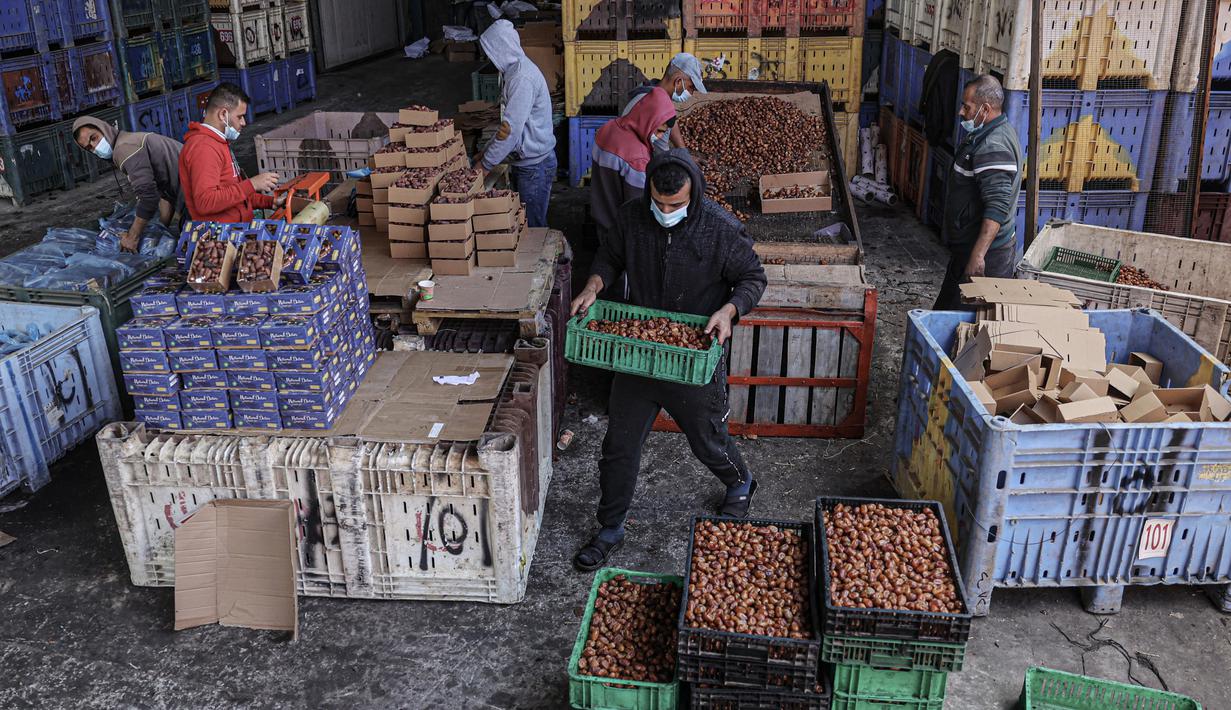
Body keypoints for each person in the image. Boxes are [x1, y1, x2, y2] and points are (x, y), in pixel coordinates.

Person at [569, 149, 768, 572]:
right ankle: (610, 527)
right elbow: (609, 257)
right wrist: (593, 284)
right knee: (619, 446)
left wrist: (729, 311)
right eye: (658, 203)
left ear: (693, 194)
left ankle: (739, 482)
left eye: (675, 205)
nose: (665, 212)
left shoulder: (720, 230)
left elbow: (752, 278)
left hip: (692, 355)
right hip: (640, 354)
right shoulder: (631, 218)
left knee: (707, 437)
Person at [934, 74, 1023, 310]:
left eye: (967, 106)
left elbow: (997, 206)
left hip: (987, 255)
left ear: (984, 109)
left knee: (964, 322)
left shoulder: (993, 145)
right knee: (950, 312)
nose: (961, 112)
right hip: (970, 248)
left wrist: (978, 255)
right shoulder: (990, 132)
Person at [476, 19, 557, 228]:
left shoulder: (522, 78)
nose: (489, 57)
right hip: (530, 163)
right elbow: (507, 126)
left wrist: (483, 167)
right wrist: (485, 152)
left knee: (534, 229)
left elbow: (510, 131)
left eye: (491, 50)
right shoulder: (513, 71)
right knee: (529, 224)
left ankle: (557, 261)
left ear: (501, 48)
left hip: (534, 167)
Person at [72, 115, 184, 252]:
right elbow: (163, 191)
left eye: (94, 138)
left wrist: (133, 237)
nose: (95, 147)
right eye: (89, 147)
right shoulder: (128, 140)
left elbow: (148, 197)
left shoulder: (123, 149)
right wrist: (160, 228)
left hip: (198, 188)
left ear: (104, 129)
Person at [178, 82, 285, 223]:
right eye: (240, 116)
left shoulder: (219, 142)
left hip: (237, 231)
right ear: (223, 114)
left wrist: (270, 202)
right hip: (221, 238)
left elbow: (235, 195)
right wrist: (252, 184)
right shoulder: (203, 148)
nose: (244, 122)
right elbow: (206, 202)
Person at [590, 86, 677, 247]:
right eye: (658, 130)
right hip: (621, 232)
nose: (658, 137)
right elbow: (637, 208)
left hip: (601, 219)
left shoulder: (607, 128)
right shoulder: (637, 158)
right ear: (648, 119)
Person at [623, 53, 707, 153]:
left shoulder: (651, 89)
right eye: (691, 87)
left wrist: (683, 151)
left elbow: (671, 120)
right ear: (678, 82)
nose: (691, 93)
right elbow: (662, 156)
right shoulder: (657, 105)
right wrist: (683, 159)